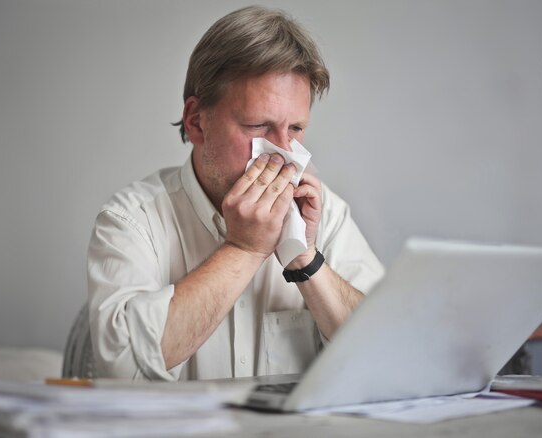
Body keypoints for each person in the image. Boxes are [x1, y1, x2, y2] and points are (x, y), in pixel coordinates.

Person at [87, 6, 385, 381]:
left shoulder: (327, 214)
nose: (284, 154)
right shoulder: (133, 219)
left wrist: (305, 258)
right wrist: (244, 248)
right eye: (259, 126)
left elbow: (390, 355)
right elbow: (122, 369)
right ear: (197, 122)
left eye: (294, 129)